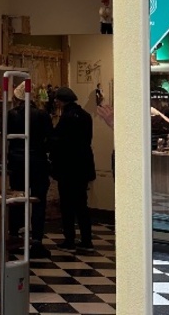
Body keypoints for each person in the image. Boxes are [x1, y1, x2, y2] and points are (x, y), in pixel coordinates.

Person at [7, 80, 52, 258]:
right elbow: (50, 138)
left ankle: (14, 237)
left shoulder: (11, 115)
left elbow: (7, 136)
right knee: (39, 200)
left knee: (17, 199)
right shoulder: (42, 115)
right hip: (38, 161)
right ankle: (37, 242)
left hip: (17, 161)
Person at [51, 86, 96, 251]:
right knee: (82, 205)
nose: (55, 102)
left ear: (61, 100)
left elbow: (58, 141)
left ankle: (69, 240)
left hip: (68, 167)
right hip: (83, 166)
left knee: (67, 206)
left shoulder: (67, 118)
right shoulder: (85, 116)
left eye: (56, 99)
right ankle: (86, 240)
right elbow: (87, 140)